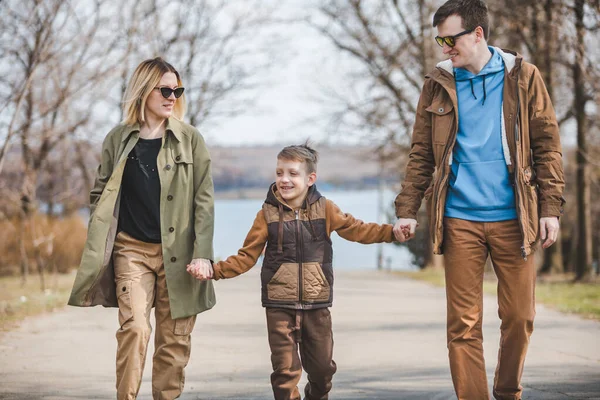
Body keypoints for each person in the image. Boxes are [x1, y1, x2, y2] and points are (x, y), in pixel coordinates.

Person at [392, 1, 565, 399]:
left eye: (450, 39)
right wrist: (407, 209)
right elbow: (421, 152)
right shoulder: (437, 84)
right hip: (459, 219)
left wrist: (550, 209)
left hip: (513, 217)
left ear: (478, 34)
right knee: (463, 325)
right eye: (439, 40)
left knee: (520, 317)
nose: (444, 48)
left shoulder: (523, 78)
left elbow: (548, 147)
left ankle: (507, 391)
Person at [189, 143, 397, 400]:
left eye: (292, 173)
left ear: (310, 179)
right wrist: (214, 270)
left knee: (322, 370)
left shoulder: (326, 209)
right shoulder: (266, 214)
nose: (284, 179)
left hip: (317, 306)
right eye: (279, 173)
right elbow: (247, 256)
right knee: (285, 372)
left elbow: (358, 229)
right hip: (279, 306)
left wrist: (392, 232)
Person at [68, 57, 216, 400]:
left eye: (177, 90)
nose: (172, 96)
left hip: (179, 255)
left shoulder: (191, 139)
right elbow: (99, 191)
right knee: (134, 328)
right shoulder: (118, 139)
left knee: (174, 338)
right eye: (165, 89)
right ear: (143, 90)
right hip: (131, 250)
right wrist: (101, 232)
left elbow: (204, 201)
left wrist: (203, 254)